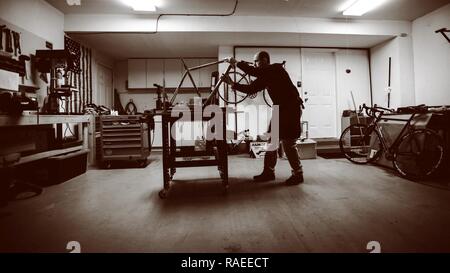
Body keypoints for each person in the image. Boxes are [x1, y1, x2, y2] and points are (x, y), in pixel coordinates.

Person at [222, 51, 304, 185]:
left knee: (288, 143)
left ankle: (298, 174)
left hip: (291, 108)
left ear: (265, 60)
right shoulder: (266, 76)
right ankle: (268, 172)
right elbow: (250, 89)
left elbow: (253, 72)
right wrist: (232, 84)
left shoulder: (275, 69)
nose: (254, 64)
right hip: (280, 109)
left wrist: (236, 62)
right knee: (272, 142)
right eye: (254, 62)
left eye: (256, 61)